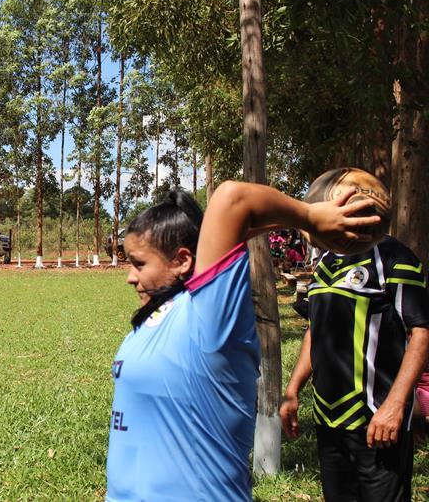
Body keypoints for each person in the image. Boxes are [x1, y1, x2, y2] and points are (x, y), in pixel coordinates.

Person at [107, 181, 380, 502]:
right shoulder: (157, 318)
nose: (130, 276)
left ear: (182, 261)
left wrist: (309, 217)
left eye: (139, 263)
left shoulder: (209, 320)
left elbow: (233, 199)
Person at [280, 232, 429, 502]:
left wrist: (394, 406)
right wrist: (293, 390)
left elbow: (420, 332)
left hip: (377, 421)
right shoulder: (325, 262)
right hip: (329, 419)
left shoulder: (392, 256)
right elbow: (316, 327)